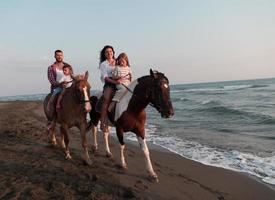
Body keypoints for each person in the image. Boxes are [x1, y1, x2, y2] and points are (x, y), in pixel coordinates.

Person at [99, 45, 121, 132]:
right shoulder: (103, 64)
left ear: (113, 52)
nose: (109, 53)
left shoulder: (118, 61)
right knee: (106, 99)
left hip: (120, 82)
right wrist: (114, 82)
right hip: (109, 84)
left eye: (111, 51)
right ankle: (102, 123)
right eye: (107, 52)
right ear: (104, 54)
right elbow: (105, 77)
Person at [46, 50, 72, 120]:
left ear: (63, 56)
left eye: (61, 55)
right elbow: (51, 80)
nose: (59, 57)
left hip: (69, 86)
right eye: (57, 55)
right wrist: (60, 84)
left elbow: (72, 75)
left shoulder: (68, 66)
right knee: (54, 97)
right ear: (55, 56)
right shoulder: (51, 67)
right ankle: (52, 116)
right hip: (57, 87)